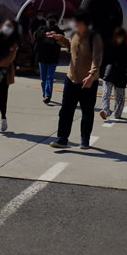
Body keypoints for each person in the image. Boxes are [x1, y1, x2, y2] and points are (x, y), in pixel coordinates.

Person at [48, 9, 103, 150]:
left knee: (87, 111)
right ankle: (62, 139)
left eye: (77, 22)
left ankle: (85, 140)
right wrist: (60, 39)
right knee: (66, 110)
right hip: (71, 78)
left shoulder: (94, 37)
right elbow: (70, 46)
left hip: (88, 81)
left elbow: (97, 58)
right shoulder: (74, 34)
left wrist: (91, 75)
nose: (74, 24)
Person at [100, 27, 127, 121]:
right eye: (118, 36)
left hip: (121, 73)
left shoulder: (126, 48)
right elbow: (104, 58)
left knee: (120, 96)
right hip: (109, 71)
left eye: (121, 36)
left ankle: (117, 113)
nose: (119, 38)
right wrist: (101, 70)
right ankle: (106, 111)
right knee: (106, 93)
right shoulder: (109, 45)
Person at [34, 13, 62, 104]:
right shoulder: (42, 29)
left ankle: (48, 95)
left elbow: (63, 39)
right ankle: (45, 93)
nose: (51, 21)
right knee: (43, 79)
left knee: (50, 78)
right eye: (49, 19)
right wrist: (45, 34)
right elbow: (36, 36)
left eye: (53, 20)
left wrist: (56, 35)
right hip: (42, 58)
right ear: (46, 20)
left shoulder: (58, 31)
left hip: (53, 59)